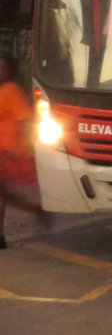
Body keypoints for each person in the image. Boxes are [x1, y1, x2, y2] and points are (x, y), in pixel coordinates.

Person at [0, 55, 49, 249]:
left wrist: (17, 148)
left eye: (2, 67)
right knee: (4, 194)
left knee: (3, 194)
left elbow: (26, 120)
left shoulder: (12, 91)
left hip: (6, 151)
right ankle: (35, 210)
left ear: (10, 70)